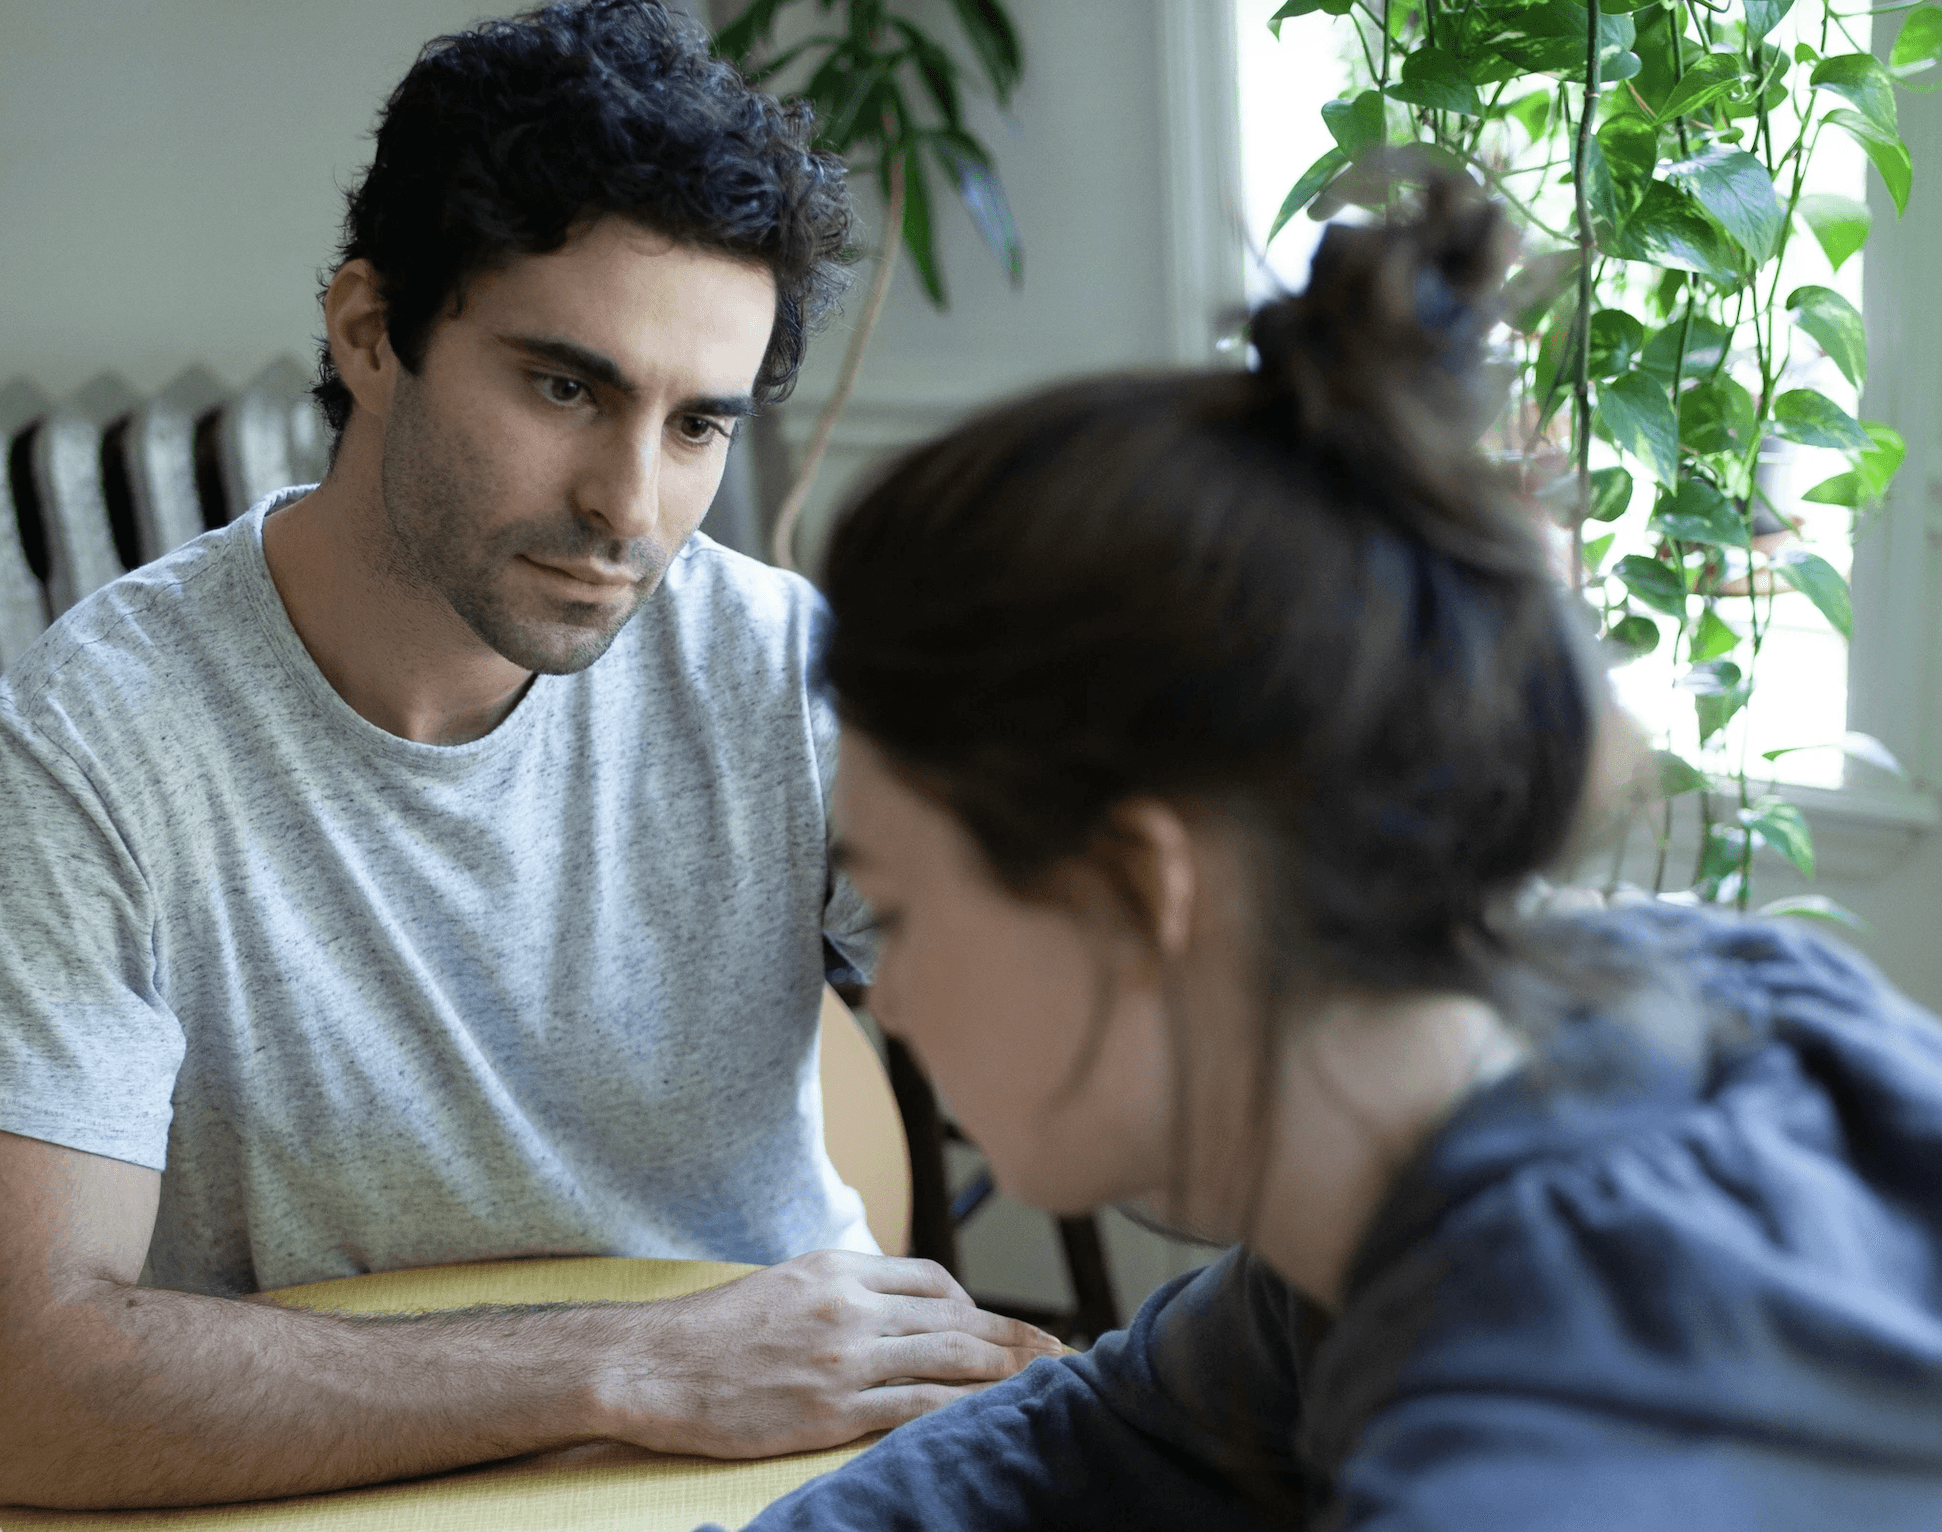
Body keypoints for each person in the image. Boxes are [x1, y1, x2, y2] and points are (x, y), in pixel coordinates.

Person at [713, 181, 1942, 1529]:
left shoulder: (1536, 1467)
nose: (882, 996)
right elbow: (1113, 1437)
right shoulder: (1544, 1058)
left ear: (1138, 891)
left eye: (894, 903)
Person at [0, 0, 1059, 1512]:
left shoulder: (781, 670)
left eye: (697, 425)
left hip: (788, 1478)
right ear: (371, 333)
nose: (631, 506)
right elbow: (27, 1387)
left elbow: (1127, 1054)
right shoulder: (94, 740)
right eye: (565, 387)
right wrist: (629, 1366)